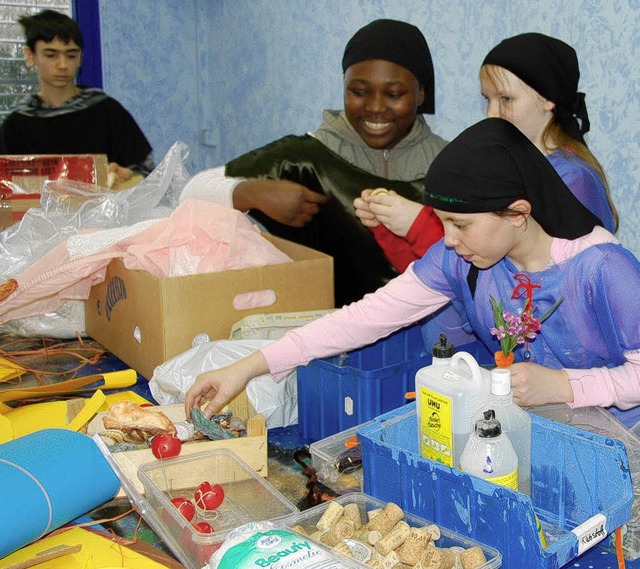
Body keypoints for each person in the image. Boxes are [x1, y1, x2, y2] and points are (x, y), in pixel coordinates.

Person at [185, 118, 640, 429]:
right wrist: (247, 368)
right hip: (541, 432)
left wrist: (564, 385)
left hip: (624, 447)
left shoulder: (604, 270)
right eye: (442, 222)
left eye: (460, 225)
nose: (447, 239)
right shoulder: (461, 257)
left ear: (518, 213)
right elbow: (365, 317)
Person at [179, 19, 446, 307]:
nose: (375, 107)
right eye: (359, 92)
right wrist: (253, 192)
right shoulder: (306, 158)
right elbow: (190, 193)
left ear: (420, 94)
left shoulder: (453, 164)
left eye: (394, 94)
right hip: (330, 337)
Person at [355, 32, 618, 273]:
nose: (492, 114)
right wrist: (389, 228)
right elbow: (438, 277)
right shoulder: (502, 169)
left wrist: (418, 223)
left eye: (506, 99)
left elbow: (531, 284)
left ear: (548, 99)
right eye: (487, 100)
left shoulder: (573, 181)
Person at [0, 9, 154, 186]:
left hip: (101, 213)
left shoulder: (106, 111)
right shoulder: (17, 125)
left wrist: (127, 177)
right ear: (30, 56)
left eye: (71, 55)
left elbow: (147, 174)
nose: (63, 65)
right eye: (51, 55)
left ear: (80, 58)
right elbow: (6, 195)